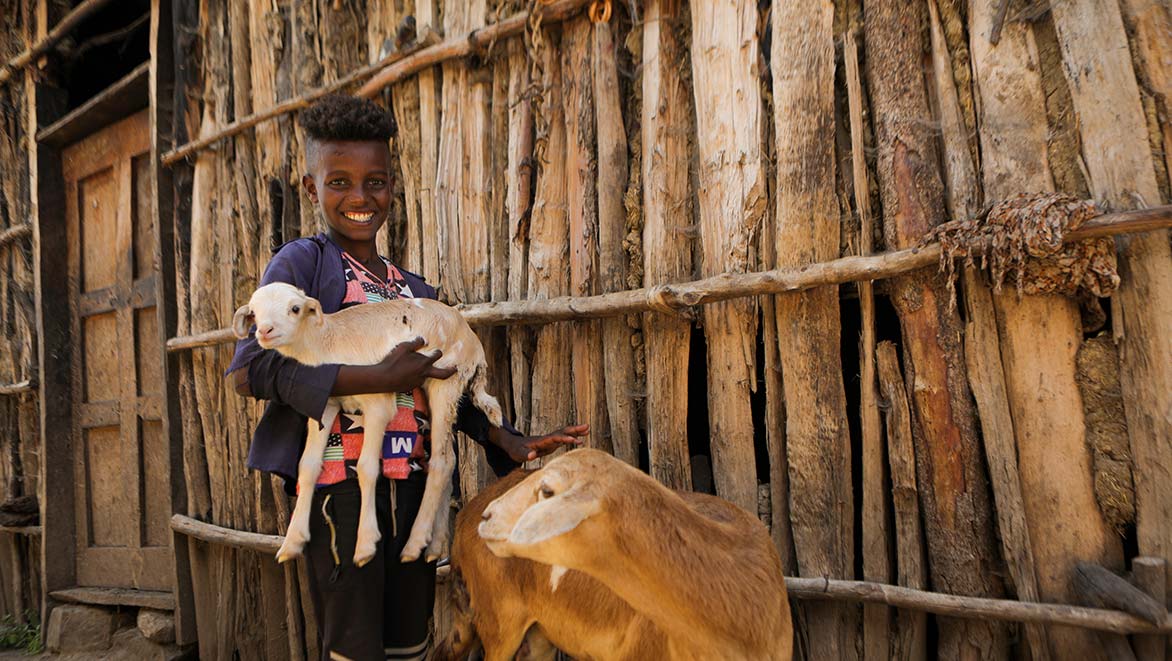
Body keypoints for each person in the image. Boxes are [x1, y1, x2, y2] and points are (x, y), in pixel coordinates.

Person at [226, 94, 587, 661]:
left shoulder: (413, 291)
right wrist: (375, 373)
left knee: (409, 646)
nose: (360, 197)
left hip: (414, 488)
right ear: (310, 187)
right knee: (355, 649)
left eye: (376, 182)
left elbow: (437, 383)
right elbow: (251, 370)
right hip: (340, 494)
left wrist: (502, 437)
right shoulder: (300, 269)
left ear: (393, 185)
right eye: (339, 181)